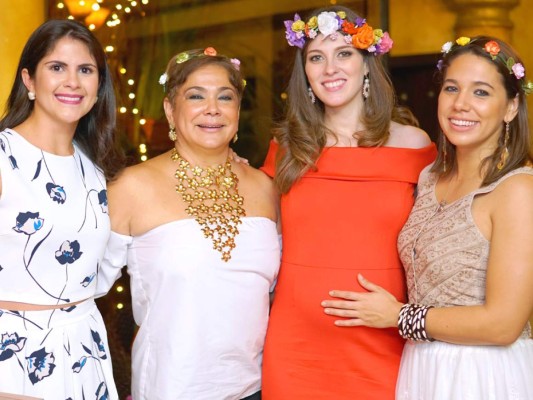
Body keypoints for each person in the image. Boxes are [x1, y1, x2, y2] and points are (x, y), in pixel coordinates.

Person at [321, 36, 533, 399]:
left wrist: (399, 316)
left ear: (511, 107)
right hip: (422, 366)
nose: (461, 104)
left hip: (483, 374)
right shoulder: (430, 176)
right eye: (452, 88)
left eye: (481, 93)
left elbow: (503, 324)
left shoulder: (518, 191)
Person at [260, 5, 436, 400]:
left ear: (366, 64)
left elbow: (441, 235)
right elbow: (262, 233)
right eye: (316, 58)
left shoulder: (414, 145)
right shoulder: (285, 148)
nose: (329, 69)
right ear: (304, 72)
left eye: (344, 54)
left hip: (383, 339)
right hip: (295, 347)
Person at [100, 47, 281, 400]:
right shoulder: (130, 187)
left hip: (258, 386)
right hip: (171, 386)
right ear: (170, 109)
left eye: (225, 97)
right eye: (195, 96)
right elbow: (80, 287)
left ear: (238, 110)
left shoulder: (265, 188)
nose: (212, 108)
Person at [0, 20, 123, 399]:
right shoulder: (4, 156)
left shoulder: (99, 168)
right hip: (15, 358)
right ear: (29, 81)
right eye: (57, 67)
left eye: (85, 70)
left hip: (86, 351)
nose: (72, 82)